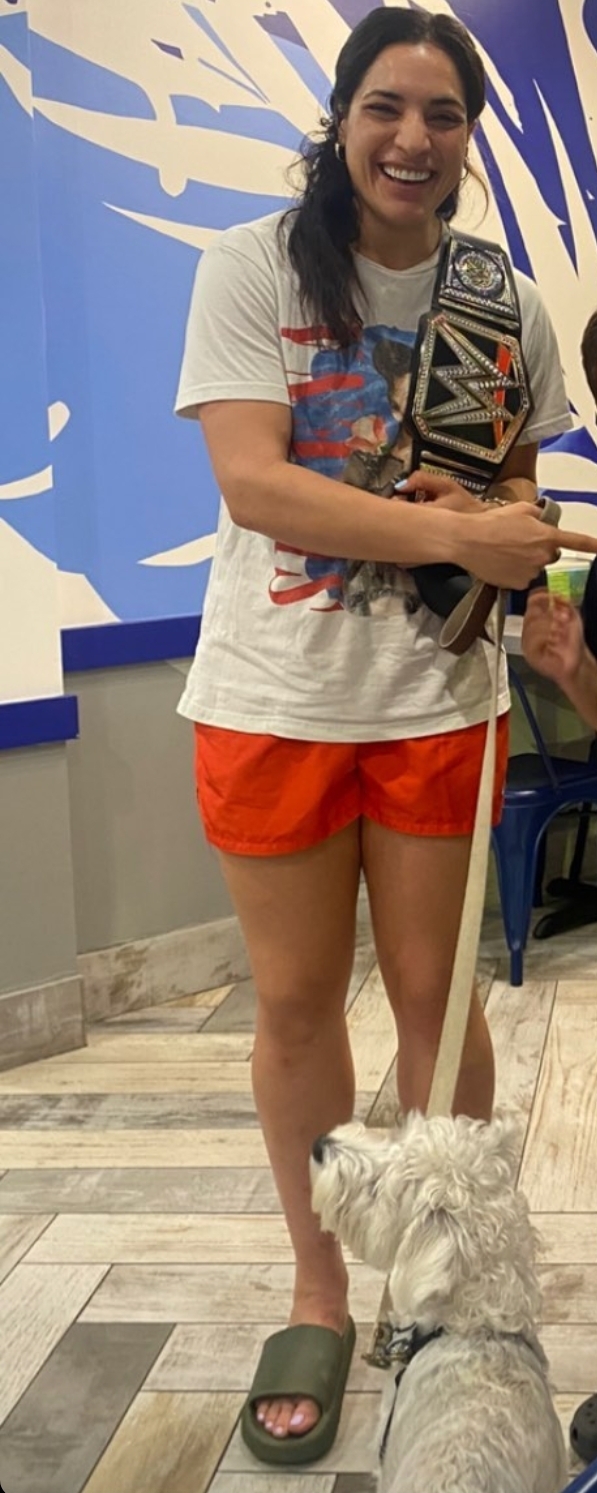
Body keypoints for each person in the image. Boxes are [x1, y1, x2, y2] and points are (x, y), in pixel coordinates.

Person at [175, 6, 596, 1466]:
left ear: (467, 138)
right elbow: (254, 483)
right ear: (342, 118)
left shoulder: (502, 303)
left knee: (438, 1003)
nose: (413, 139)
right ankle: (319, 1287)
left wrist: (503, 531)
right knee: (296, 1007)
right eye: (386, 108)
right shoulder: (251, 269)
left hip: (435, 702)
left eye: (443, 115)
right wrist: (463, 536)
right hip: (273, 693)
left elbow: (514, 500)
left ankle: (448, 1287)